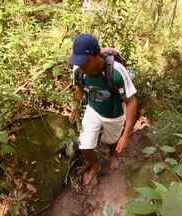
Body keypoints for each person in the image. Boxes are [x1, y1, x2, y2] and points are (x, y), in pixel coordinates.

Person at [69, 34, 138, 185]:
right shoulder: (79, 70)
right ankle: (94, 165)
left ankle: (113, 154)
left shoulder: (116, 72)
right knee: (85, 145)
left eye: (84, 62)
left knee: (112, 140)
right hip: (93, 109)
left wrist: (126, 134)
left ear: (96, 56)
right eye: (78, 62)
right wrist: (75, 107)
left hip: (114, 115)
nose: (81, 66)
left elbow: (131, 102)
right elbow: (79, 89)